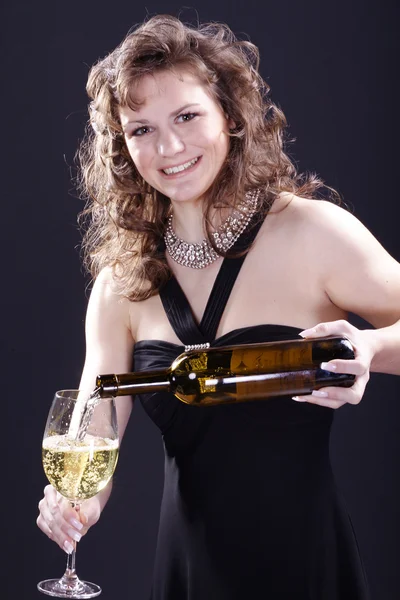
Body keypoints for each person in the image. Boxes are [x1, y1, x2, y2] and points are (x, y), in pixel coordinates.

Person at [36, 14, 400, 599]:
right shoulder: (120, 282)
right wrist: (75, 503)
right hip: (186, 574)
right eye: (142, 130)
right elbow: (93, 427)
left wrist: (372, 348)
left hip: (308, 568)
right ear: (123, 148)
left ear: (229, 116)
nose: (170, 147)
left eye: (186, 116)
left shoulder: (312, 232)